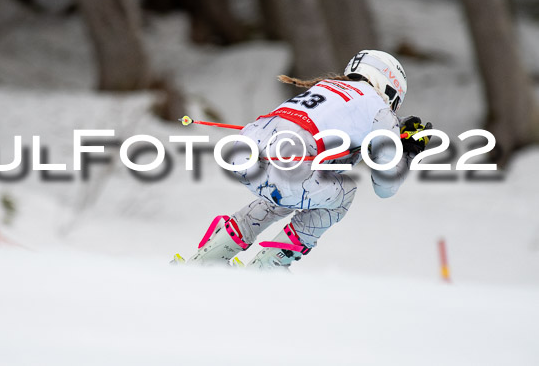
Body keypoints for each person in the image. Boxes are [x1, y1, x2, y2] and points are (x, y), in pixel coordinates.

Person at [182, 50, 432, 270]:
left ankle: (210, 255)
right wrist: (408, 151)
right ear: (391, 88)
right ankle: (270, 264)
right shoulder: (379, 107)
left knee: (288, 193)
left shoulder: (326, 87)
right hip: (287, 167)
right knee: (343, 192)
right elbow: (385, 186)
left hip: (243, 157)